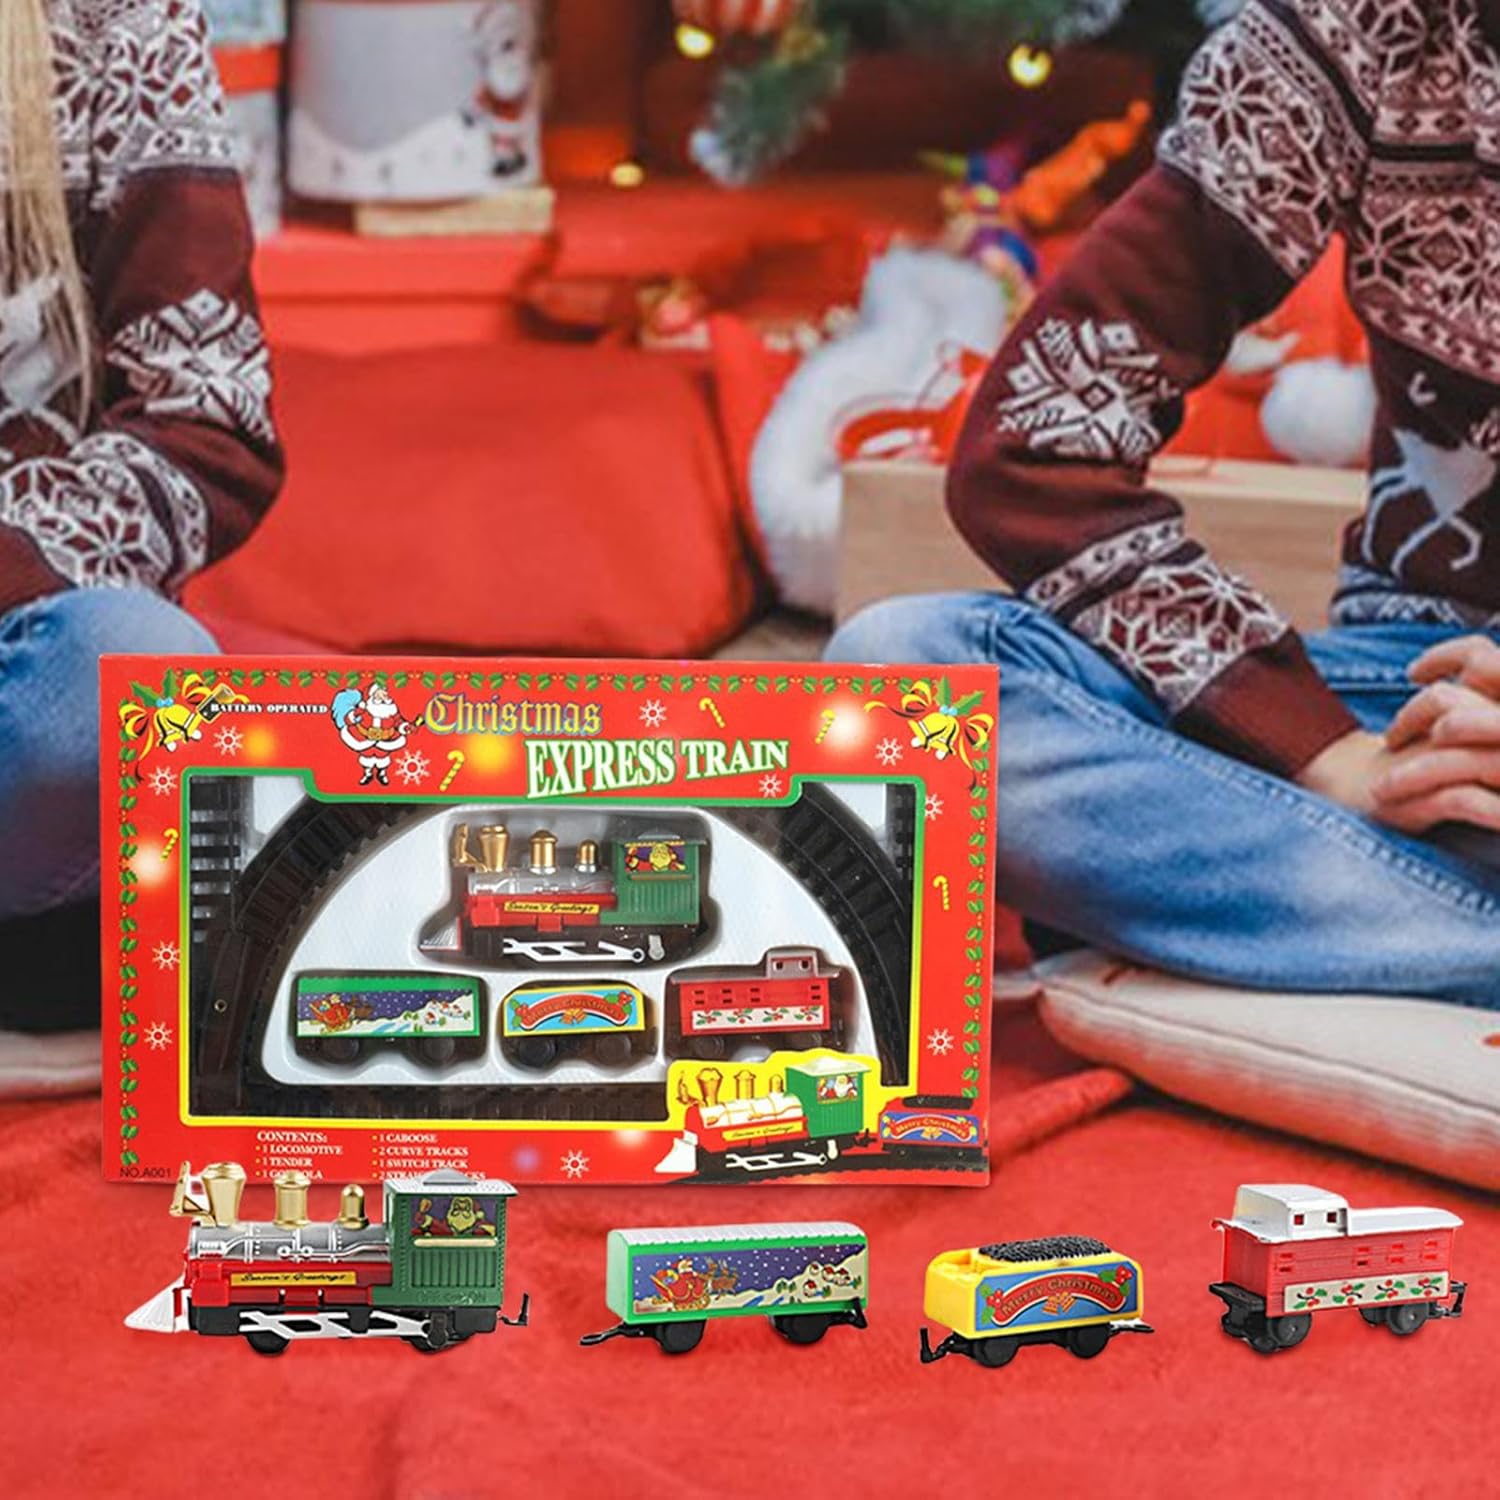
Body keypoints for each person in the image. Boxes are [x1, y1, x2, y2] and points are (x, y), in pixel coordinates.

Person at [828, 0, 1500, 1010]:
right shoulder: (1358, 37)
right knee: (907, 684)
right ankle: (1425, 935)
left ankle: (1302, 922)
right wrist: (1325, 752)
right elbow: (1041, 437)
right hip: (1411, 705)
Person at [0, 0, 283, 1070]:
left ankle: (49, 964)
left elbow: (208, 420)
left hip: (20, 647)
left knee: (133, 672)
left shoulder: (117, 21)